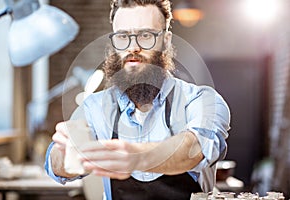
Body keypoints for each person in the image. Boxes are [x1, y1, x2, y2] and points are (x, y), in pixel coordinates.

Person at [45, 0, 231, 199]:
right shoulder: (95, 107)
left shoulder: (201, 101)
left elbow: (193, 149)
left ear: (166, 41)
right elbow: (55, 164)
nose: (133, 47)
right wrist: (66, 154)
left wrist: (136, 157)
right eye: (123, 36)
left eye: (145, 35)